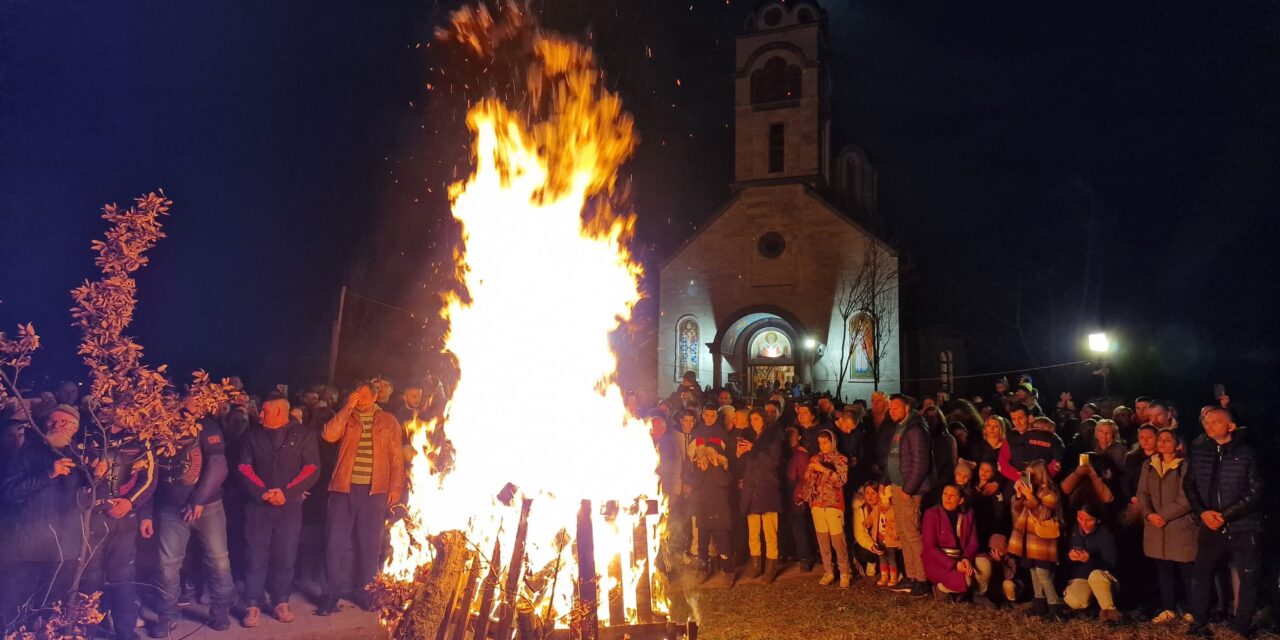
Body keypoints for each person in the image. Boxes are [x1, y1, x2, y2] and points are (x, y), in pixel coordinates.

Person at [141, 404, 235, 636]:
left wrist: (199, 500)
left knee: (218, 559)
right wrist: (145, 514)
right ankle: (167, 615)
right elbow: (149, 475)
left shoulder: (206, 427)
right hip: (170, 508)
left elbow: (218, 465)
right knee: (167, 565)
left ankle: (221, 609)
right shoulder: (158, 431)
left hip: (208, 506)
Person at [318, 382, 406, 615]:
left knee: (370, 546)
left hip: (374, 492)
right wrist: (347, 407)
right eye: (358, 395)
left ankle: (366, 593)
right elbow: (328, 435)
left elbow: (397, 458)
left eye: (367, 395)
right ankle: (329, 596)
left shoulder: (388, 421)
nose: (362, 399)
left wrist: (395, 488)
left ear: (376, 397)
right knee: (334, 543)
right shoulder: (347, 417)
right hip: (343, 489)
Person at [235, 398, 319, 626]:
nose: (260, 415)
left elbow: (311, 468)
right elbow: (243, 467)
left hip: (289, 508)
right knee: (255, 554)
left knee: (285, 554)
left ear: (280, 411)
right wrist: (262, 492)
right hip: (258, 508)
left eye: (265, 411)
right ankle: (252, 603)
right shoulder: (253, 436)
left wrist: (286, 493)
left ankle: (280, 601)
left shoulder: (303, 434)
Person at [0, 408, 86, 629]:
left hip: (61, 552)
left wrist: (96, 476)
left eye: (65, 422)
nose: (57, 425)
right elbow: (9, 492)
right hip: (25, 550)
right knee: (13, 612)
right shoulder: (25, 452)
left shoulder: (80, 456)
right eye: (52, 420)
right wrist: (49, 474)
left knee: (50, 615)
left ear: (75, 428)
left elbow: (86, 496)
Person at [1182, 408, 1261, 638]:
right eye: (1207, 421)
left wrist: (1226, 515)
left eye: (1216, 421)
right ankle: (1199, 623)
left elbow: (1256, 490)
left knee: (1248, 577)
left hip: (1242, 526)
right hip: (1209, 525)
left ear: (1231, 426)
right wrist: (1203, 513)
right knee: (1201, 575)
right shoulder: (1199, 452)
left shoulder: (1247, 453)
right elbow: (1189, 485)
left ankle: (1242, 627)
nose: (1210, 425)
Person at [81, 404, 157, 640]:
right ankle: (87, 630)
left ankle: (125, 631)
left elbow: (150, 478)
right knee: (89, 577)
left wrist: (130, 503)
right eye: (120, 408)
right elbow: (77, 475)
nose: (126, 414)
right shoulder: (89, 435)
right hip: (92, 520)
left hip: (124, 521)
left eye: (130, 409)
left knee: (122, 577)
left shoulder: (140, 440)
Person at [1136, 428, 1196, 624]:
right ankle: (1168, 607)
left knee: (1186, 572)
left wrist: (1162, 515)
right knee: (1164, 571)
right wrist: (1149, 514)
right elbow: (1143, 493)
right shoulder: (1149, 465)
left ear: (1178, 444)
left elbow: (1186, 498)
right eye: (1160, 439)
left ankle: (1192, 609)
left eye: (1167, 440)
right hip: (1156, 528)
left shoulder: (1185, 466)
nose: (1162, 443)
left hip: (1179, 527)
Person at [883, 394, 932, 597]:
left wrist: (908, 489)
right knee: (903, 534)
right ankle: (911, 576)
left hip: (908, 490)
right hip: (899, 486)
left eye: (896, 408)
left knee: (912, 534)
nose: (892, 412)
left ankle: (922, 579)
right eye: (890, 409)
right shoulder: (901, 427)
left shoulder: (915, 429)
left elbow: (921, 463)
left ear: (907, 408)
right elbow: (894, 456)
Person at [1008, 459, 1065, 620]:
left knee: (1043, 574)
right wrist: (1019, 495)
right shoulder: (1030, 490)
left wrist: (1029, 496)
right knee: (1033, 572)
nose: (1028, 477)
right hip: (1029, 539)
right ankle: (1039, 604)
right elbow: (1017, 511)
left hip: (1042, 540)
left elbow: (1043, 514)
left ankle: (1055, 607)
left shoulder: (1049, 494)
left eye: (1031, 474)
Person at [798, 430, 852, 588]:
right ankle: (828, 571)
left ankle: (844, 571)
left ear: (833, 442)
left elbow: (841, 480)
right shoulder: (815, 458)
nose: (823, 446)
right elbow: (807, 478)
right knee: (823, 540)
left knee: (838, 540)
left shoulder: (840, 459)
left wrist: (823, 470)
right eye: (820, 443)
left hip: (833, 505)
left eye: (826, 442)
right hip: (817, 505)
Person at [735, 409, 783, 582]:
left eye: (757, 419)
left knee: (770, 531)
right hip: (751, 490)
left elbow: (773, 462)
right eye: (752, 419)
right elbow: (745, 464)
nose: (754, 422)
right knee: (753, 532)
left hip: (767, 489)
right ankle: (756, 566)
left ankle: (771, 567)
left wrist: (753, 449)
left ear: (764, 420)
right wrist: (739, 455)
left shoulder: (772, 439)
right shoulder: (749, 437)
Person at [1062, 504, 1121, 622]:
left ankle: (1110, 614)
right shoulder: (1073, 531)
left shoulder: (1106, 535)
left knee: (1095, 576)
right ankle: (1092, 605)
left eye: (1089, 520)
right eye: (1080, 518)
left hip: (1103, 579)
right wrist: (1070, 557)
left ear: (1097, 520)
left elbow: (1110, 564)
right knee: (1074, 599)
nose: (1083, 523)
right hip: (1082, 578)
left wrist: (1089, 560)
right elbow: (1064, 559)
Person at [688, 436, 734, 586]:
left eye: (709, 455)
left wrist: (715, 467)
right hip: (703, 513)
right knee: (703, 546)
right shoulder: (699, 470)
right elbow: (694, 484)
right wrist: (701, 470)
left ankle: (728, 572)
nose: (707, 458)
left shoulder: (722, 468)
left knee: (723, 544)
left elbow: (724, 481)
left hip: (720, 514)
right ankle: (703, 571)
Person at [921, 485, 979, 602]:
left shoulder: (967, 514)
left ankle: (971, 596)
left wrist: (966, 558)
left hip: (960, 558)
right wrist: (953, 564)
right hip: (938, 562)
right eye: (945, 494)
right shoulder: (932, 514)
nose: (947, 498)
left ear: (961, 500)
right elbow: (930, 547)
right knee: (966, 580)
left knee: (982, 571)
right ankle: (941, 589)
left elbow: (973, 542)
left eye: (952, 495)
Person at [852, 482, 899, 587]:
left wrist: (894, 532)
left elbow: (895, 522)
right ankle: (884, 576)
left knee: (891, 558)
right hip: (878, 540)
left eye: (873, 493)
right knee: (882, 558)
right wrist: (867, 523)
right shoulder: (863, 507)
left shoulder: (891, 508)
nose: (870, 496)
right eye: (867, 493)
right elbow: (865, 526)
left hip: (890, 539)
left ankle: (894, 577)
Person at [782, 426, 815, 571]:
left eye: (792, 433)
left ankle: (805, 557)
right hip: (784, 493)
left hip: (794, 494)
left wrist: (799, 496)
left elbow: (804, 479)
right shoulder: (784, 453)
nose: (789, 435)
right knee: (789, 526)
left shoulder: (801, 455)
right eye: (787, 432)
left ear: (799, 437)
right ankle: (792, 553)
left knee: (799, 528)